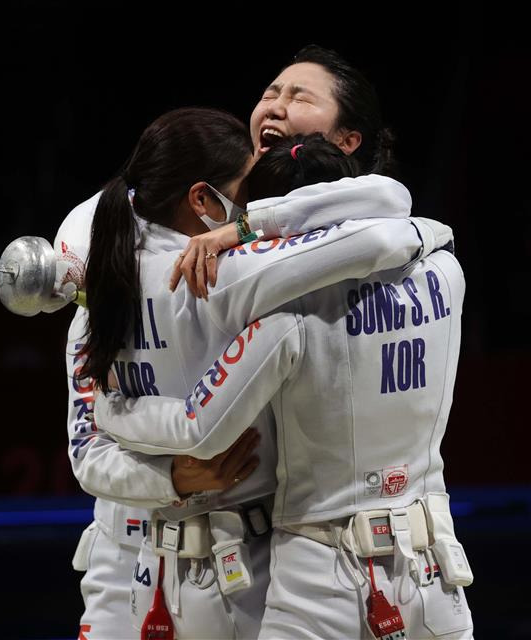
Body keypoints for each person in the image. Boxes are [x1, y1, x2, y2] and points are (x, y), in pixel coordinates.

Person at [53, 45, 447, 639]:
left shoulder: (248, 255)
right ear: (201, 196)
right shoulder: (200, 269)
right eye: (271, 91)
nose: (277, 105)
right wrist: (171, 478)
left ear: (346, 139)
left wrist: (243, 228)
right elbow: (100, 450)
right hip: (143, 560)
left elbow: (376, 216)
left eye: (299, 96)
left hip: (272, 559)